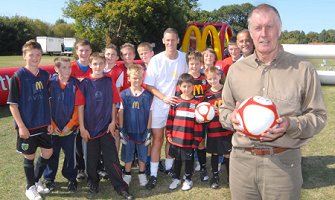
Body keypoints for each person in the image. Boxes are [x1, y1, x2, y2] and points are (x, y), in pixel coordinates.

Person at [219, 4, 327, 200]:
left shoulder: (303, 70)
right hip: (242, 164)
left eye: (270, 26)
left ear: (280, 29)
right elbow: (224, 109)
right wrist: (231, 118)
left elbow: (319, 117)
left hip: (284, 164)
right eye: (258, 28)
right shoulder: (236, 70)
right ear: (250, 32)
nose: (264, 33)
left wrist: (291, 124)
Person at [77, 52, 133, 199]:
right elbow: (80, 107)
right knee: (90, 159)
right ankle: (93, 182)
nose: (98, 66)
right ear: (90, 65)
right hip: (89, 129)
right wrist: (82, 128)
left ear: (105, 65)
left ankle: (120, 186)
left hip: (106, 128)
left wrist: (113, 121)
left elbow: (115, 103)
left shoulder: (109, 82)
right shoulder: (85, 84)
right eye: (95, 64)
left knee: (111, 158)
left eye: (101, 64)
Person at [7, 40, 53, 200]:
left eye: (38, 55)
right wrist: (21, 126)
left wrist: (50, 121)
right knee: (29, 156)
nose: (35, 57)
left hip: (43, 123)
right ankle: (30, 187)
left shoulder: (45, 75)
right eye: (31, 55)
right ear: (24, 56)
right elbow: (13, 105)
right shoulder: (18, 76)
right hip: (27, 125)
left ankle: (35, 180)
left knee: (48, 152)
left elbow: (48, 100)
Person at [144, 27, 188, 189]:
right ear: (163, 41)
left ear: (178, 40)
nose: (170, 42)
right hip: (159, 105)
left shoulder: (185, 58)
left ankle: (169, 168)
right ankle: (154, 174)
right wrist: (164, 97)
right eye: (167, 40)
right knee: (158, 139)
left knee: (173, 139)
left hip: (178, 106)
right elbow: (148, 85)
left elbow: (189, 81)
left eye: (173, 39)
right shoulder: (156, 59)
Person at [43, 57, 80, 192]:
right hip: (53, 128)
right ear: (56, 69)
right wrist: (52, 124)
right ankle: (49, 178)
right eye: (63, 67)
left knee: (70, 155)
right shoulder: (50, 83)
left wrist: (70, 125)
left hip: (70, 129)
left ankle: (71, 178)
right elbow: (45, 106)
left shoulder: (75, 84)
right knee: (52, 154)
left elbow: (78, 108)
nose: (67, 70)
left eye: (69, 67)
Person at [166, 73, 203, 191]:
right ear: (180, 87)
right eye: (184, 86)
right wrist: (169, 134)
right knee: (177, 159)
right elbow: (170, 119)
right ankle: (176, 178)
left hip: (189, 139)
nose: (186, 89)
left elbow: (198, 125)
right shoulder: (175, 102)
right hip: (177, 138)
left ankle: (188, 179)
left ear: (193, 87)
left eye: (189, 86)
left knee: (188, 160)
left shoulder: (197, 104)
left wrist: (197, 139)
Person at [119, 64, 153, 187]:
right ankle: (127, 174)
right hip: (128, 130)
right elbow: (121, 112)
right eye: (134, 78)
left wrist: (149, 130)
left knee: (143, 153)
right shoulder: (124, 94)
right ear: (129, 78)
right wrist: (121, 129)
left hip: (143, 131)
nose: (136, 80)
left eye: (139, 77)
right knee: (128, 153)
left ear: (142, 78)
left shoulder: (148, 95)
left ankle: (142, 173)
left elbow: (150, 113)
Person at [201, 66, 233, 189]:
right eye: (210, 79)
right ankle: (215, 176)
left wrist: (221, 110)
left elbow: (233, 107)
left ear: (220, 76)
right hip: (212, 129)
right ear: (207, 79)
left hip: (226, 128)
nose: (213, 80)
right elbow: (202, 112)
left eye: (215, 78)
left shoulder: (227, 92)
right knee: (214, 153)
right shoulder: (206, 95)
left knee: (227, 154)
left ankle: (230, 178)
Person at [70, 39, 93, 180]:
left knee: (92, 139)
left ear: (90, 51)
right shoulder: (70, 67)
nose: (84, 53)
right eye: (81, 50)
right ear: (76, 51)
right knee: (77, 141)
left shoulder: (95, 66)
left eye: (87, 50)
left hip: (92, 110)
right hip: (75, 110)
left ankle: (95, 167)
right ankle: (80, 168)